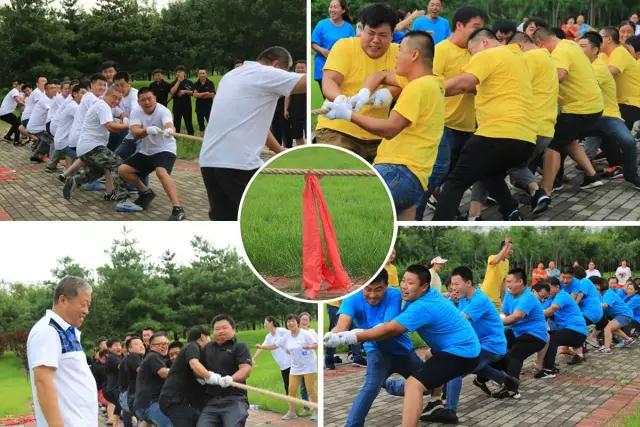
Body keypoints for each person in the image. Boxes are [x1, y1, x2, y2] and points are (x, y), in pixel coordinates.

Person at [325, 264, 481, 427]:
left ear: (424, 287)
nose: (405, 286)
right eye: (403, 281)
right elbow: (342, 324)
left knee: (414, 385)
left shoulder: (413, 303)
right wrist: (334, 335)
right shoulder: (421, 296)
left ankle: (401, 389)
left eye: (411, 283)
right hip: (380, 351)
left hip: (449, 352)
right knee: (378, 386)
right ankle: (433, 404)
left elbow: (389, 329)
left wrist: (350, 336)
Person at [322, 30, 444, 220]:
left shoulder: (417, 87)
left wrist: (348, 115)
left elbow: (390, 129)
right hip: (416, 180)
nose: (396, 55)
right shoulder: (434, 82)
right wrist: (364, 93)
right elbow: (380, 75)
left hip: (397, 171)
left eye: (400, 50)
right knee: (401, 222)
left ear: (414, 55)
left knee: (340, 209)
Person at [433, 28, 536, 220]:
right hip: (526, 139)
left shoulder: (488, 55)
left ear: (484, 43)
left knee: (455, 182)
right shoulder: (517, 58)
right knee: (488, 172)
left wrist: (428, 90)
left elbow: (463, 83)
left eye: (472, 52)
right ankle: (512, 212)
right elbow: (470, 88)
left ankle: (439, 224)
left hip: (497, 134)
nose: (472, 58)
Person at [199, 46, 303, 221]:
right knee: (261, 220)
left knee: (226, 220)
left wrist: (278, 149)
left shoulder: (231, 75)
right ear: (276, 65)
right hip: (238, 164)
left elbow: (251, 121)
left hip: (209, 162)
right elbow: (306, 82)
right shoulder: (266, 73)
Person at [324, 270, 422, 426]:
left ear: (386, 286)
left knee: (428, 385)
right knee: (370, 388)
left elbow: (386, 328)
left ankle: (393, 386)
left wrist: (354, 335)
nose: (372, 295)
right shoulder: (352, 298)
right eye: (368, 289)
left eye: (378, 289)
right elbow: (342, 325)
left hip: (403, 351)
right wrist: (332, 335)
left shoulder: (394, 295)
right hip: (376, 351)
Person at [415, 6, 485, 220]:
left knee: (455, 176)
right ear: (459, 25)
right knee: (436, 173)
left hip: (469, 124)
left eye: (482, 28)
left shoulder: (477, 53)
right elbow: (429, 86)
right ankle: (414, 216)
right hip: (443, 124)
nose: (479, 32)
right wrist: (464, 85)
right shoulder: (441, 50)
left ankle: (445, 212)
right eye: (475, 26)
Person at [315, 3, 400, 162]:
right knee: (338, 165)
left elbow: (404, 82)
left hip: (378, 134)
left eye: (383, 35)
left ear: (392, 35)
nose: (376, 40)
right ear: (361, 29)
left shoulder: (399, 53)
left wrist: (387, 94)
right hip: (338, 129)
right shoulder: (344, 46)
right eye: (371, 33)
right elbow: (330, 80)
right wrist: (340, 99)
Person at [533, 26, 604, 209]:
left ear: (540, 44)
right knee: (568, 139)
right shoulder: (570, 45)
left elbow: (560, 75)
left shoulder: (560, 51)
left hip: (580, 108)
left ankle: (546, 191)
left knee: (553, 145)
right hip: (592, 106)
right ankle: (591, 176)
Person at [443, 266, 516, 423]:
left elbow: (459, 320)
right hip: (478, 345)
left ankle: (449, 410)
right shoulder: (463, 299)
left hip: (492, 346)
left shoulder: (479, 300)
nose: (453, 288)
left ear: (468, 283)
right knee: (476, 366)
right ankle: (506, 381)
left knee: (455, 370)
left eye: (456, 284)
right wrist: (451, 301)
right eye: (452, 284)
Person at [26, 276, 97, 426]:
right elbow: (43, 382)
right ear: (63, 300)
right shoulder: (47, 331)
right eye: (83, 304)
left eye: (88, 306)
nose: (86, 311)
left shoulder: (66, 331)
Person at [577, 31, 640, 190]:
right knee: (564, 140)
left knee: (627, 141)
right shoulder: (603, 57)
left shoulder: (604, 63)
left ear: (594, 49)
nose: (578, 49)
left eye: (583, 46)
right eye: (578, 46)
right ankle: (585, 174)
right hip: (589, 114)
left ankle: (628, 173)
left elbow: (605, 75)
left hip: (613, 111)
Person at [118, 87, 185, 220]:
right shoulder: (136, 111)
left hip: (165, 149)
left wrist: (170, 130)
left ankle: (178, 208)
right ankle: (146, 193)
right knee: (123, 170)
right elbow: (135, 132)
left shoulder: (163, 110)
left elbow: (169, 124)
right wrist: (147, 130)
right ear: (139, 102)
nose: (147, 102)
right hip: (147, 151)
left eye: (149, 98)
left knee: (161, 172)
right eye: (143, 100)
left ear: (155, 98)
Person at [64, 88, 129, 201]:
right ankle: (121, 196)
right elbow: (110, 126)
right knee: (117, 163)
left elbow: (116, 118)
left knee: (98, 171)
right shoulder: (103, 106)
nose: (116, 101)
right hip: (93, 147)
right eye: (114, 97)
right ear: (107, 95)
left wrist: (124, 120)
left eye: (119, 99)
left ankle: (75, 180)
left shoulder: (102, 105)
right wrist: (127, 126)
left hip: (85, 148)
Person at [497, 268, 548, 398]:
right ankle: (490, 377)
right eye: (507, 282)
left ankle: (512, 389)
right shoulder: (509, 294)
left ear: (520, 281)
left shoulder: (528, 297)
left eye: (510, 281)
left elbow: (516, 317)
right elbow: (506, 315)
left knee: (515, 354)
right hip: (518, 333)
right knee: (497, 347)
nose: (507, 285)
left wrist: (494, 323)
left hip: (536, 335)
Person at [197, 314, 252, 427]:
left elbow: (246, 369)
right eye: (217, 329)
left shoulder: (240, 346)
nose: (221, 331)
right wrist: (206, 376)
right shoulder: (207, 348)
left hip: (235, 399)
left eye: (224, 328)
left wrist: (231, 379)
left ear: (233, 329)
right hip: (211, 401)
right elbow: (198, 368)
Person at [532, 279, 587, 378]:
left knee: (552, 338)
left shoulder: (562, 296)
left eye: (549, 288)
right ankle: (544, 364)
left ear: (557, 287)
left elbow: (551, 309)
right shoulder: (551, 298)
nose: (547, 290)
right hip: (569, 330)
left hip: (577, 332)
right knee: (545, 336)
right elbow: (539, 308)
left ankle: (548, 370)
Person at [159, 325, 212, 427]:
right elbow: (194, 364)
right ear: (202, 337)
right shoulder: (192, 346)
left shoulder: (198, 352)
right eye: (209, 337)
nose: (210, 341)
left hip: (185, 402)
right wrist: (212, 377)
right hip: (175, 400)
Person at [270, 314, 317, 420]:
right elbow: (275, 345)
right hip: (296, 366)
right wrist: (262, 347)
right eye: (288, 321)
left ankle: (316, 412)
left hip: (309, 364)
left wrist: (309, 346)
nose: (290, 323)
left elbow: (316, 344)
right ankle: (291, 412)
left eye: (293, 321)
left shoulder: (305, 334)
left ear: (297, 322)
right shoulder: (286, 336)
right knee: (291, 389)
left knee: (310, 389)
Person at [311, 0, 355, 97]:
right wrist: (323, 51)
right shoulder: (321, 24)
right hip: (323, 68)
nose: (332, 10)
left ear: (343, 10)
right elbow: (313, 43)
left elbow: (353, 47)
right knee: (330, 99)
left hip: (341, 69)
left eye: (335, 7)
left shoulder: (349, 28)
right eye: (330, 7)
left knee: (342, 99)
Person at [600, 27, 640, 131]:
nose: (596, 41)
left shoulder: (619, 51)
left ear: (609, 39)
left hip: (630, 104)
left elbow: (611, 72)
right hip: (616, 104)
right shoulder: (603, 55)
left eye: (599, 37)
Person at [134, 332, 172, 427]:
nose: (164, 346)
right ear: (151, 346)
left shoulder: (153, 357)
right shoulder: (153, 356)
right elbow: (163, 373)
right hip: (150, 404)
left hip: (142, 404)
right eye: (160, 344)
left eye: (166, 343)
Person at [591, 276, 636, 353]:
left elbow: (605, 306)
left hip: (624, 315)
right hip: (622, 315)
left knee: (608, 328)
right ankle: (628, 339)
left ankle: (606, 349)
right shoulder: (601, 294)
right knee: (611, 327)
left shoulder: (608, 293)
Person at [254, 316, 291, 393]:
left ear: (271, 323)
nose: (264, 325)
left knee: (296, 385)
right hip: (283, 366)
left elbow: (274, 346)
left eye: (265, 323)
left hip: (292, 363)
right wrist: (253, 358)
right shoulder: (268, 337)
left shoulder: (281, 331)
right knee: (288, 387)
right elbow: (261, 348)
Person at [119, 335, 145, 427]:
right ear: (129, 349)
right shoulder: (133, 356)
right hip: (131, 394)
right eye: (137, 344)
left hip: (126, 394)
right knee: (140, 420)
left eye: (142, 344)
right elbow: (141, 371)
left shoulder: (129, 358)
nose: (141, 346)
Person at [480, 236, 512, 310]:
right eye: (510, 248)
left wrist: (509, 294)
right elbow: (496, 261)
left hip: (496, 299)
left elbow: (504, 281)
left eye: (512, 249)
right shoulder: (492, 257)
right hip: (485, 296)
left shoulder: (507, 262)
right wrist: (505, 248)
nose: (511, 251)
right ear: (503, 248)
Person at [284, 60, 308, 147]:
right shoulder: (291, 80)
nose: (300, 70)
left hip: (306, 111)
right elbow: (287, 96)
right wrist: (285, 110)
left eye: (302, 68)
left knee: (308, 134)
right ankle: (302, 150)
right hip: (294, 111)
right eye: (298, 68)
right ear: (295, 69)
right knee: (297, 135)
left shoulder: (308, 81)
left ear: (306, 69)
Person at [170, 65, 195, 135]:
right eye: (177, 72)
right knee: (176, 123)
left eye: (181, 72)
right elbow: (172, 92)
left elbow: (194, 93)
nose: (179, 73)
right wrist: (178, 81)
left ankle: (191, 136)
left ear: (184, 73)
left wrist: (185, 91)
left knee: (188, 122)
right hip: (177, 106)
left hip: (187, 106)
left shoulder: (189, 82)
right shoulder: (173, 82)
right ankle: (176, 136)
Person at [104, 338, 123, 425]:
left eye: (119, 345)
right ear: (109, 348)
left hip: (113, 388)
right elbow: (122, 367)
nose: (118, 347)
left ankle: (115, 421)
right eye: (115, 345)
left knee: (119, 408)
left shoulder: (118, 357)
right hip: (113, 389)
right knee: (122, 405)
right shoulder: (112, 358)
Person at [193, 67, 215, 132]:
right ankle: (202, 136)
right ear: (198, 75)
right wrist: (206, 93)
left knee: (211, 123)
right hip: (199, 108)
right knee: (201, 125)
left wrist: (199, 95)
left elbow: (212, 95)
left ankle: (211, 135)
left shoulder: (210, 83)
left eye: (203, 73)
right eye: (200, 73)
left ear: (206, 74)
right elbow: (195, 95)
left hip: (209, 107)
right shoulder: (196, 84)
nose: (202, 75)